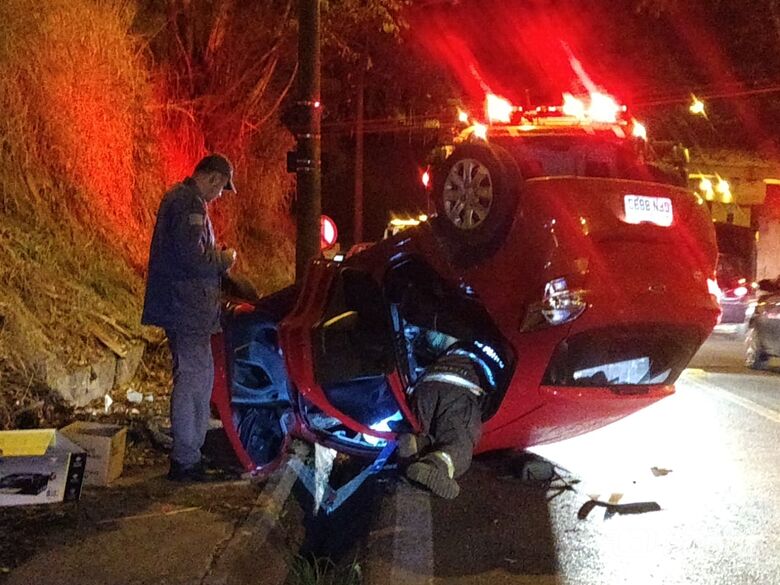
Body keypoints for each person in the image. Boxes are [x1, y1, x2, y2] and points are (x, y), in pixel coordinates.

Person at [142, 154, 238, 482]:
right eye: (222, 188)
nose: (220, 194)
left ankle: (192, 454)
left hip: (189, 309)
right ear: (212, 179)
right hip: (187, 309)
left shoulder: (184, 200)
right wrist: (224, 259)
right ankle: (185, 459)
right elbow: (191, 256)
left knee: (200, 378)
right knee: (193, 381)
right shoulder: (188, 204)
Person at [398, 330, 492, 499]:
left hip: (424, 388)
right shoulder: (490, 355)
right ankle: (437, 465)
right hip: (457, 388)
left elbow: (432, 339)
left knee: (438, 431)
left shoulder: (458, 342)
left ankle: (418, 444)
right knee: (460, 442)